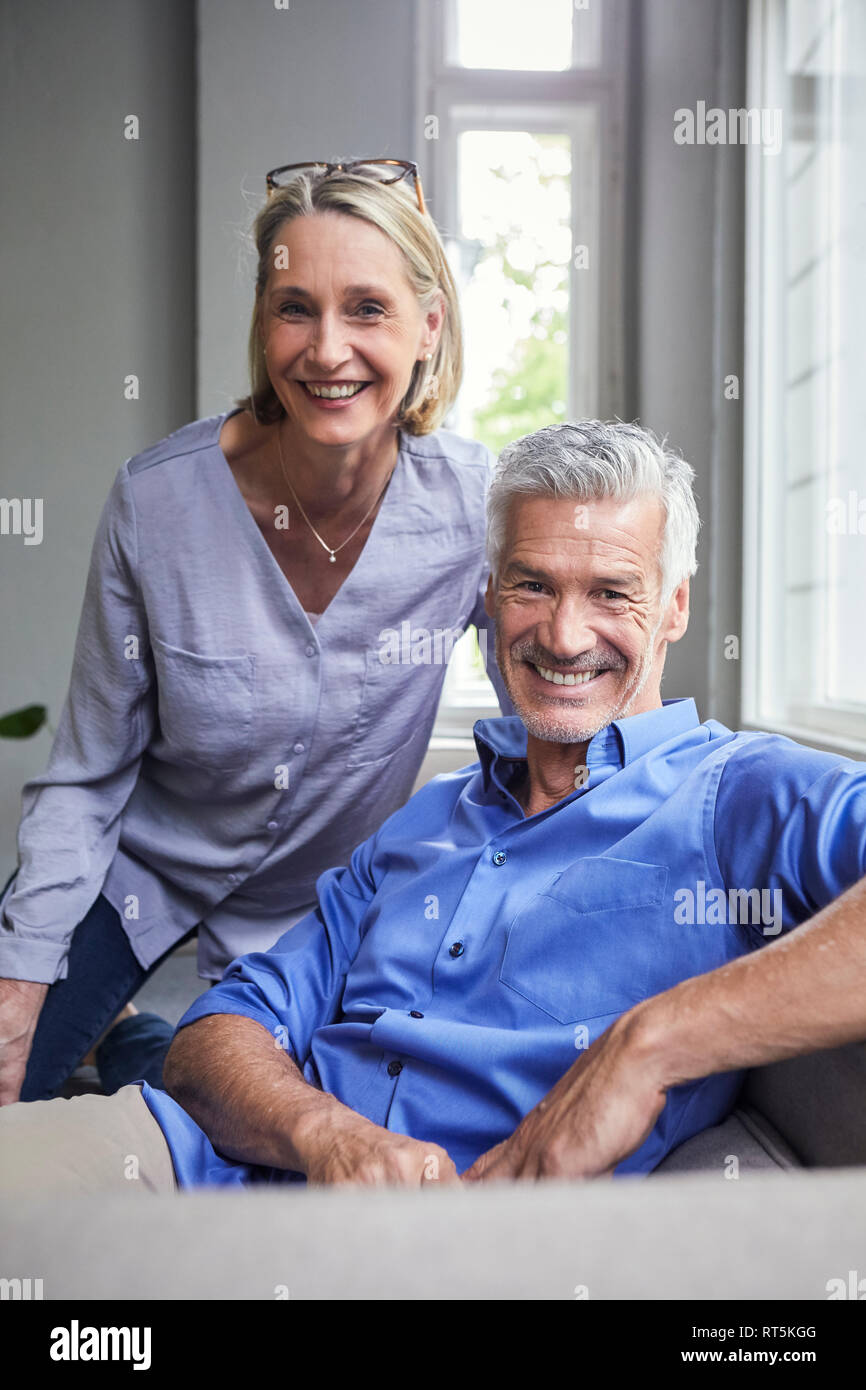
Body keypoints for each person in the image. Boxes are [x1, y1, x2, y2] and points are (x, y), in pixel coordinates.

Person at [3, 416, 865, 1192]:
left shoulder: (739, 790)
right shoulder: (425, 821)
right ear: (489, 596)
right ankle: (123, 1037)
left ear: (674, 607)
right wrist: (322, 1134)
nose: (565, 635)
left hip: (427, 1250)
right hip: (195, 1163)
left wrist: (652, 1045)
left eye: (611, 591)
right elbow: (217, 1031)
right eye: (532, 585)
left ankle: (120, 1036)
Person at [0, 158, 511, 1106]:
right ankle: (111, 1023)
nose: (327, 350)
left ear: (428, 327)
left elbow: (536, 727)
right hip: (137, 872)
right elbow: (87, 772)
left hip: (325, 905)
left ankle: (138, 1042)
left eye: (367, 308)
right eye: (294, 307)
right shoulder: (157, 500)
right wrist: (19, 976)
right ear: (261, 323)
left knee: (243, 1118)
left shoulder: (474, 508)